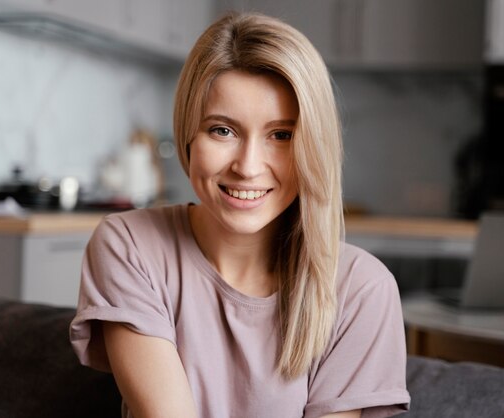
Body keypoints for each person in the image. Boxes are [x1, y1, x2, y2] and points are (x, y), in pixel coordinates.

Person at [70, 12, 410, 418]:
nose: (248, 166)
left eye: (281, 135)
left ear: (313, 146)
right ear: (188, 134)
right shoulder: (130, 245)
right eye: (222, 130)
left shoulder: (362, 290)